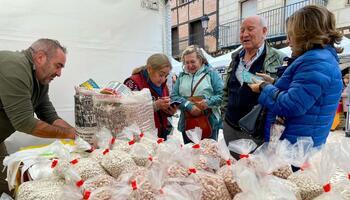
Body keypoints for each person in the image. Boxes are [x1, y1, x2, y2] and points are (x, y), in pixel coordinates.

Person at [249, 5, 343, 148]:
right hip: (298, 144)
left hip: (294, 150)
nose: (288, 41)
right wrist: (274, 82)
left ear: (305, 34)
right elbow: (303, 93)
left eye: (291, 34)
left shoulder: (315, 61)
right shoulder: (320, 59)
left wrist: (263, 87)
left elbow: (291, 105)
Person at [0, 38, 76, 193]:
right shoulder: (14, 66)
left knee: (7, 182)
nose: (59, 73)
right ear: (40, 57)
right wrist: (68, 134)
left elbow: (49, 115)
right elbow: (25, 123)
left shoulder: (40, 81)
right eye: (58, 66)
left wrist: (78, 135)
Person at [221, 15, 285, 158]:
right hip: (230, 127)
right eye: (242, 30)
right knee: (232, 174)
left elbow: (282, 95)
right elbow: (226, 90)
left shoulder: (279, 58)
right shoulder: (235, 57)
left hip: (257, 132)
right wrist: (224, 116)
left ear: (264, 31)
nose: (244, 34)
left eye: (250, 29)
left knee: (254, 174)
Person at [171, 45, 223, 143]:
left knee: (209, 154)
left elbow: (222, 95)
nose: (190, 65)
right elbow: (174, 96)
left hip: (208, 122)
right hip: (187, 122)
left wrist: (207, 102)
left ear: (201, 60)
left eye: (193, 61)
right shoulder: (181, 77)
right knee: (190, 155)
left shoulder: (211, 74)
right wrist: (189, 106)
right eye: (187, 62)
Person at [124, 53, 176, 140]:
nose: (163, 79)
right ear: (149, 69)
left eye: (166, 76)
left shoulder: (163, 85)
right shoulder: (132, 83)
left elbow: (161, 111)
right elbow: (129, 111)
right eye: (161, 75)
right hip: (141, 138)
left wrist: (169, 110)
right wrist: (155, 105)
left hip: (160, 134)